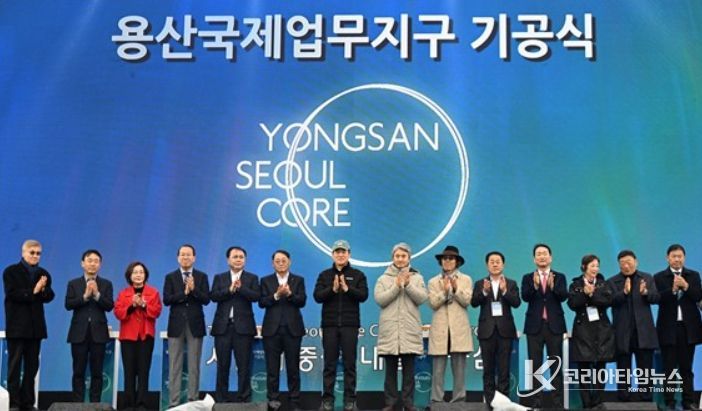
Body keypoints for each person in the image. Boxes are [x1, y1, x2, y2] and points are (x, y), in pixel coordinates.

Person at [313, 240, 369, 411]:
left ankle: (350, 400)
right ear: (332, 255)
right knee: (329, 364)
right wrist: (332, 289)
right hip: (329, 326)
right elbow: (317, 296)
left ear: (349, 254)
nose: (340, 254)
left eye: (343, 252)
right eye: (337, 252)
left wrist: (347, 288)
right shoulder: (324, 275)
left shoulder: (358, 275)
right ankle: (327, 400)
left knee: (349, 364)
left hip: (349, 326)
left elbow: (363, 295)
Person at [374, 243, 428, 411]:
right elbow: (380, 300)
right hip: (390, 331)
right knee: (390, 372)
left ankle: (408, 403)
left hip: (409, 331)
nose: (400, 259)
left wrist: (408, 284)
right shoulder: (383, 278)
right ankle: (390, 403)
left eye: (403, 256)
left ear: (409, 258)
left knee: (409, 371)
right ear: (392, 258)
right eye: (397, 256)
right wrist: (397, 285)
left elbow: (422, 298)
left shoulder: (417, 277)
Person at [3, 239, 55, 410]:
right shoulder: (11, 272)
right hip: (17, 328)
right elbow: (12, 294)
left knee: (32, 368)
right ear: (23, 253)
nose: (35, 256)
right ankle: (13, 403)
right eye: (32, 252)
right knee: (14, 367)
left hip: (35, 329)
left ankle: (28, 402)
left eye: (38, 253)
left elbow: (49, 296)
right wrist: (34, 290)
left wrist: (43, 289)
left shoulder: (44, 273)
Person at [653, 244, 702, 411]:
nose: (677, 259)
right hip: (668, 328)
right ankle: (669, 401)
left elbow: (698, 296)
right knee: (669, 368)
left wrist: (686, 286)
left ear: (684, 258)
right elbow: (657, 298)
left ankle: (688, 401)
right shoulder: (659, 277)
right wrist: (672, 290)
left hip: (688, 328)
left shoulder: (693, 275)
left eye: (680, 256)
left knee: (686, 368)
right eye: (674, 256)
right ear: (667, 258)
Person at [210, 246, 261, 403]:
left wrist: (241, 288)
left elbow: (256, 296)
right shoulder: (220, 278)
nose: (238, 259)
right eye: (235, 257)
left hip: (243, 329)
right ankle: (221, 400)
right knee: (222, 366)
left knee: (244, 366)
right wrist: (229, 290)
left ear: (245, 260)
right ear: (228, 260)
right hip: (223, 328)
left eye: (241, 257)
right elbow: (213, 296)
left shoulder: (252, 278)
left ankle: (244, 399)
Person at [607, 249, 659, 402]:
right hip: (623, 332)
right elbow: (609, 301)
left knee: (645, 369)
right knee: (623, 369)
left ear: (636, 262)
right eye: (622, 263)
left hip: (643, 332)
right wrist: (623, 292)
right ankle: (624, 399)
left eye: (629, 262)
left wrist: (646, 293)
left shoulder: (647, 278)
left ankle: (646, 399)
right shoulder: (612, 281)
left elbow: (656, 298)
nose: (626, 266)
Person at [520, 243, 567, 409]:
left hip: (554, 326)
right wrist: (534, 286)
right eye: (538, 254)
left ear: (550, 257)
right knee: (535, 366)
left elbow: (563, 297)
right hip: (535, 327)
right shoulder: (527, 278)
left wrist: (553, 287)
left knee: (556, 365)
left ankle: (558, 402)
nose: (542, 256)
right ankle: (536, 402)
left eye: (544, 253)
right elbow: (525, 297)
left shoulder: (559, 277)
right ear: (534, 259)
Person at [471, 251, 520, 407]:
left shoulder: (511, 283)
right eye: (491, 261)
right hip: (487, 331)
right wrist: (484, 292)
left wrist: (505, 291)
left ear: (503, 264)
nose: (495, 264)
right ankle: (490, 403)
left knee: (504, 370)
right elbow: (474, 302)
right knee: (488, 370)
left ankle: (503, 404)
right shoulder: (480, 283)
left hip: (505, 331)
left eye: (498, 261)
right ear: (487, 265)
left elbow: (516, 303)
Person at [163, 244, 210, 407]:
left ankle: (193, 401)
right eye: (182, 254)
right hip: (176, 325)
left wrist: (194, 289)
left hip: (195, 324)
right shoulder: (170, 277)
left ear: (194, 258)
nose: (185, 257)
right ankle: (174, 403)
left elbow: (206, 299)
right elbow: (167, 299)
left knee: (194, 365)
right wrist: (184, 293)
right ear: (178, 258)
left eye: (188, 254)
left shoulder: (201, 276)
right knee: (174, 365)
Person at [65, 249, 115, 403]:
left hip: (98, 333)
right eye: (89, 260)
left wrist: (97, 295)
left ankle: (95, 404)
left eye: (96, 261)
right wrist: (85, 297)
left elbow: (109, 306)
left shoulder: (106, 284)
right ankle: (78, 404)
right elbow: (68, 304)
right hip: (78, 333)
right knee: (78, 371)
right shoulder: (73, 283)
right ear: (82, 263)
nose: (92, 264)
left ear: (100, 265)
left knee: (97, 372)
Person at [259, 250, 307, 411]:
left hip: (293, 330)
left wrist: (290, 294)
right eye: (277, 261)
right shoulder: (265, 280)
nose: (281, 263)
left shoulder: (298, 280)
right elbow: (262, 302)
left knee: (293, 368)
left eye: (283, 260)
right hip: (271, 331)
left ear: (289, 262)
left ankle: (294, 401)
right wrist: (277, 295)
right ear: (272, 264)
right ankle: (273, 401)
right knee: (272, 369)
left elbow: (302, 301)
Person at [567, 254, 615, 410]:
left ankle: (598, 402)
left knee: (601, 368)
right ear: (584, 267)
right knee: (584, 370)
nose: (595, 269)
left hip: (602, 331)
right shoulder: (575, 285)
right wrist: (584, 293)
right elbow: (572, 304)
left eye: (597, 266)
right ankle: (586, 404)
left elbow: (608, 301)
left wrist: (592, 294)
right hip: (583, 331)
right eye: (592, 265)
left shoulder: (603, 284)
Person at [427, 245, 473, 404]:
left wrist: (455, 288)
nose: (447, 261)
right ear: (441, 261)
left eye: (451, 258)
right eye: (444, 258)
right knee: (438, 370)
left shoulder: (466, 279)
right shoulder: (433, 281)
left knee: (459, 369)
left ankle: (459, 400)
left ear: (457, 262)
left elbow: (467, 301)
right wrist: (444, 292)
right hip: (440, 328)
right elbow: (433, 303)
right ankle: (436, 401)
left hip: (458, 328)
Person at [114, 261, 162, 410]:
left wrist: (143, 305)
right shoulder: (123, 293)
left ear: (145, 275)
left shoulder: (153, 292)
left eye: (141, 272)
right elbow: (118, 313)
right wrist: (132, 306)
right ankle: (129, 404)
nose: (138, 275)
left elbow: (156, 311)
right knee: (129, 372)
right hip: (128, 337)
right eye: (135, 272)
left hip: (145, 337)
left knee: (143, 371)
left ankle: (142, 404)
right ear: (129, 275)